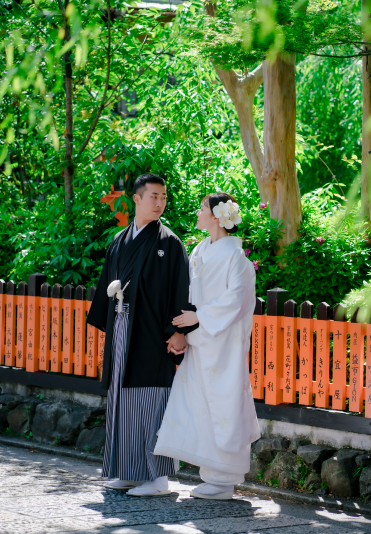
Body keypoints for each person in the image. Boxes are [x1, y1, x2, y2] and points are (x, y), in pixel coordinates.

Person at [86, 173, 196, 497]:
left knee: (151, 401)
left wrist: (180, 331)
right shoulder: (119, 241)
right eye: (153, 196)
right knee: (122, 399)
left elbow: (181, 288)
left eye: (164, 197)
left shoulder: (169, 243)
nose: (160, 203)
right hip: (123, 328)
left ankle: (158, 477)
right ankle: (128, 471)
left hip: (153, 334)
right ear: (136, 198)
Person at [154, 192, 260, 501]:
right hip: (201, 339)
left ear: (217, 216)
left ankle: (224, 478)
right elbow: (189, 294)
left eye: (202, 208)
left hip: (223, 345)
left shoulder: (236, 258)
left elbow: (236, 300)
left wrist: (199, 317)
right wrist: (184, 330)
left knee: (224, 403)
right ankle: (211, 474)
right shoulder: (199, 250)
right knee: (195, 403)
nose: (198, 212)